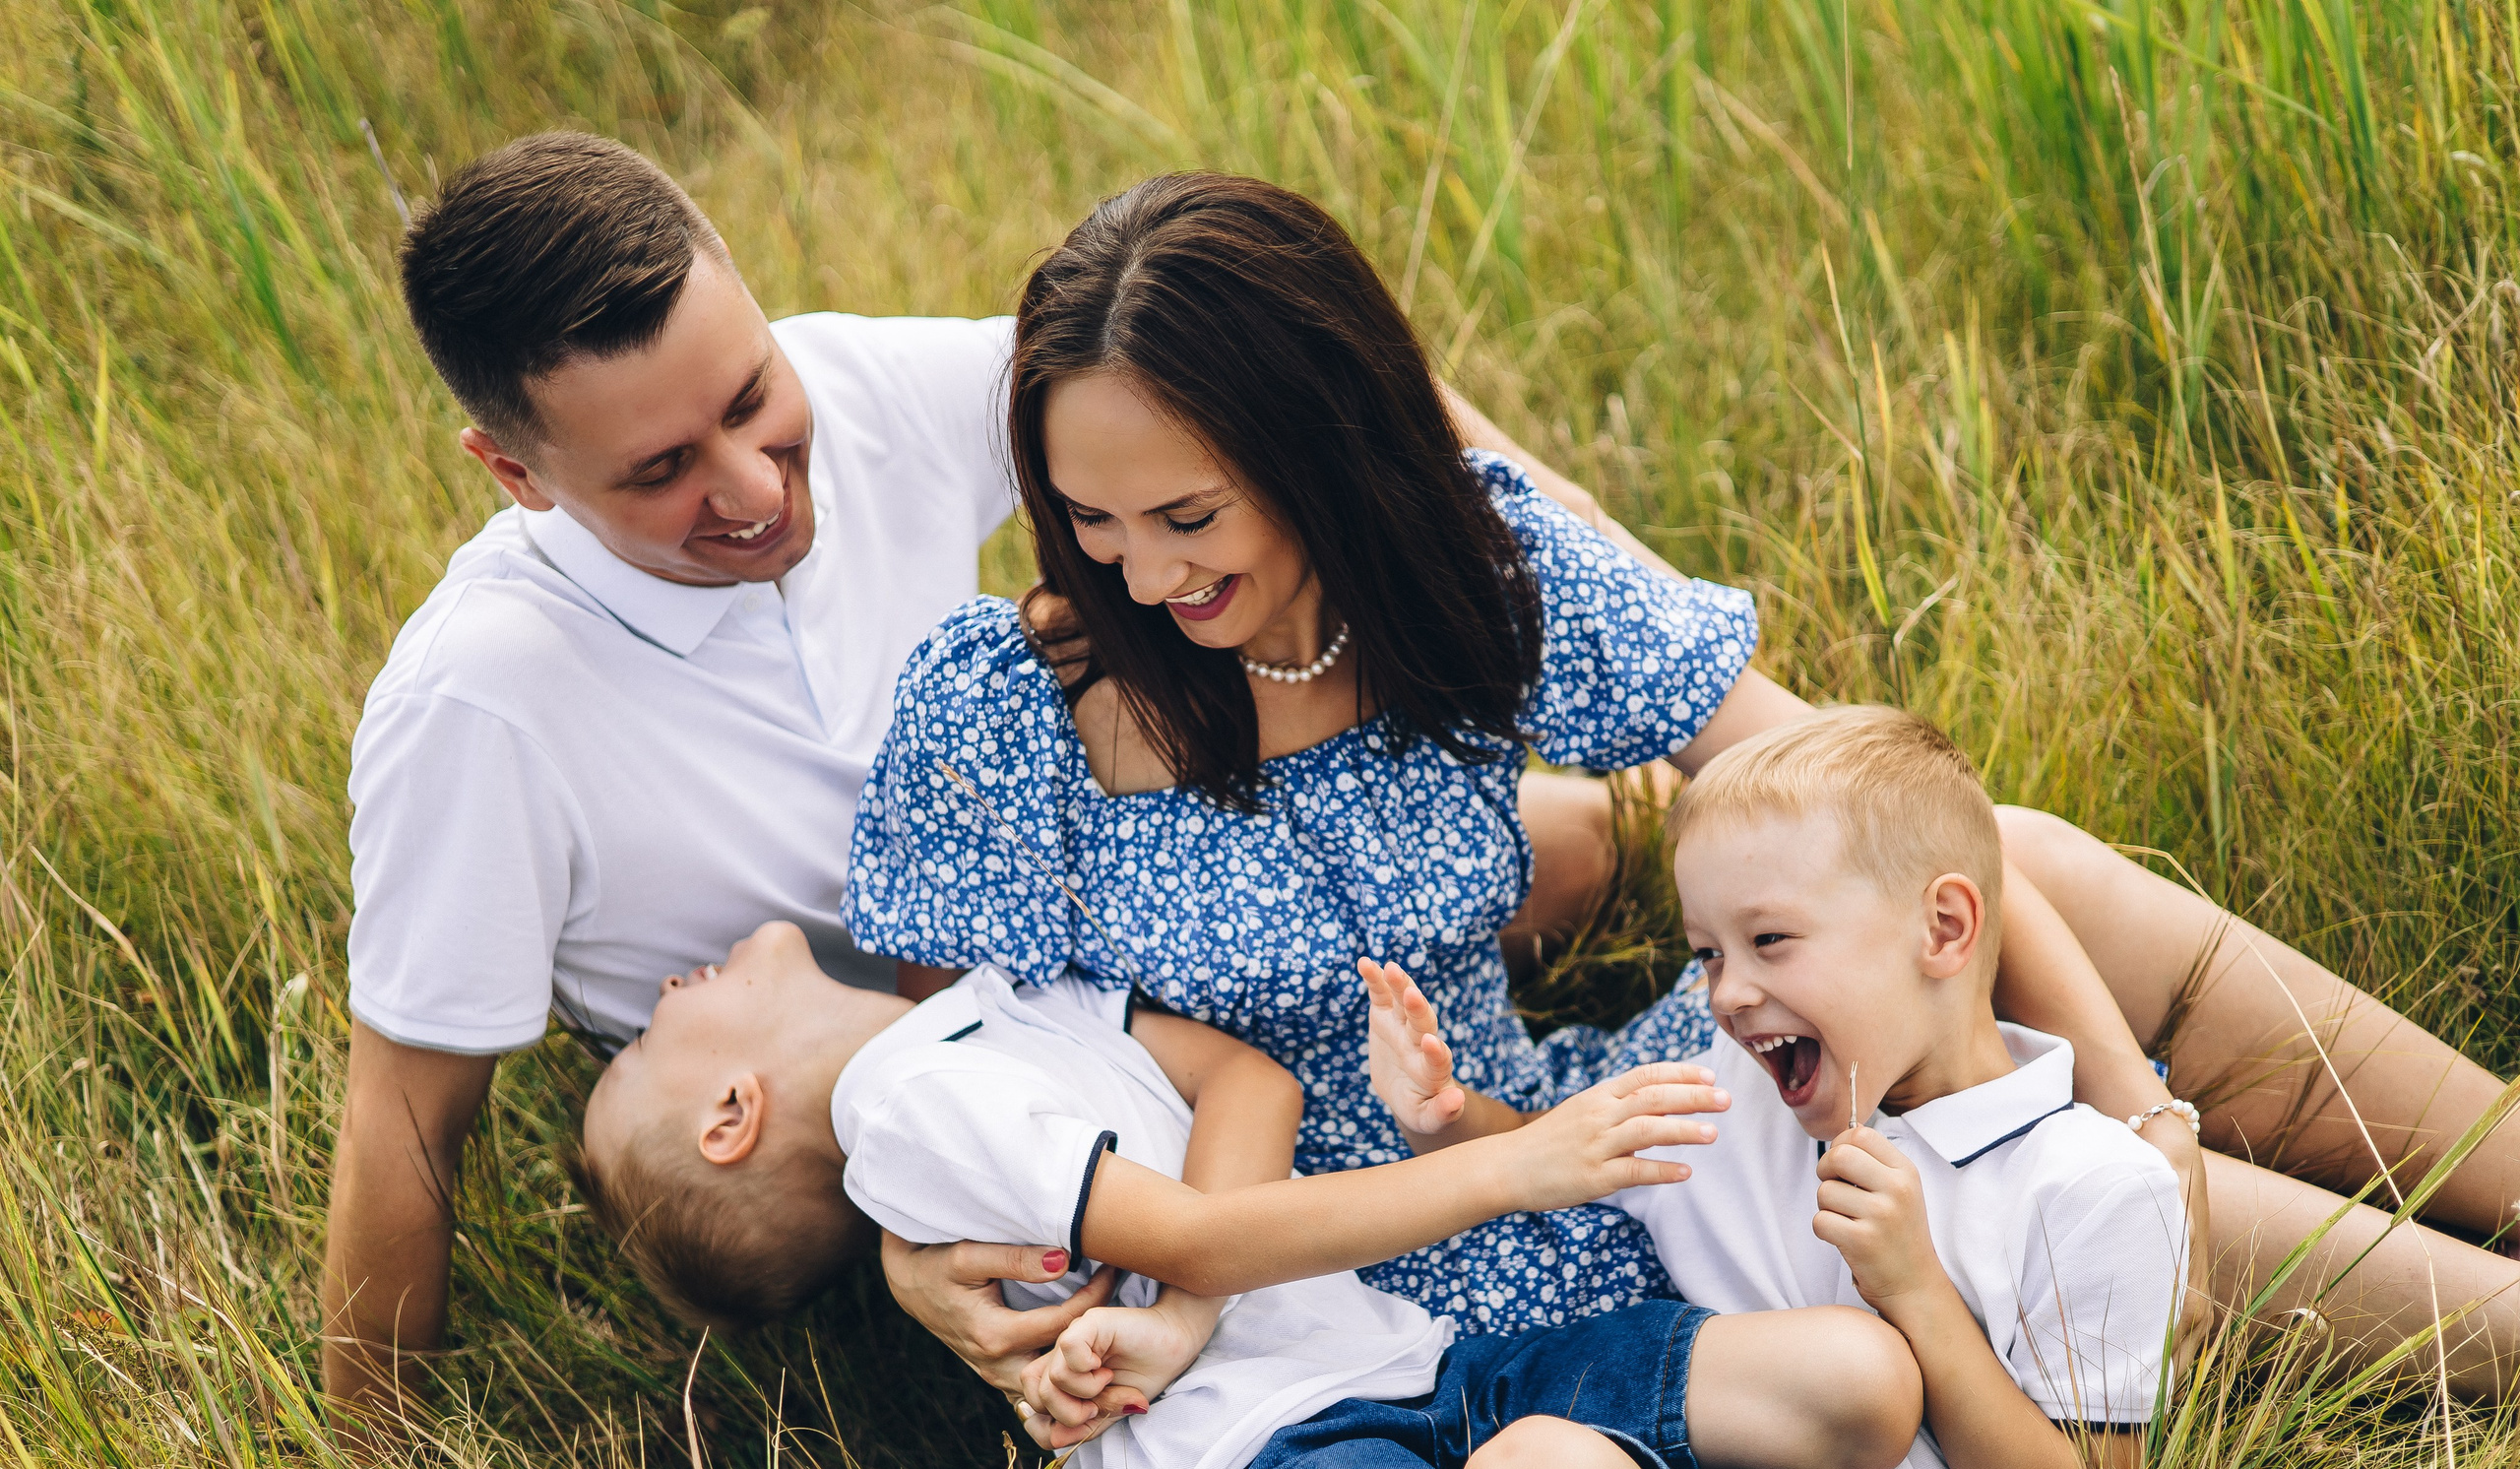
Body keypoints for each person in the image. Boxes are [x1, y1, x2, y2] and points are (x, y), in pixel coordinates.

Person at [849, 169, 2515, 1400]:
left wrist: (2131, 1102)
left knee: (2022, 880)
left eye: (1188, 516)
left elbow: (1859, 793)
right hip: (1313, 1298)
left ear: (1322, 443)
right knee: (2007, 1164)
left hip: (1576, 1142)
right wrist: (926, 1269)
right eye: (1094, 522)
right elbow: (963, 1088)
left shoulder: (1459, 569)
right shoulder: (1006, 710)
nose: (1141, 575)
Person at [326, 135, 1620, 1419]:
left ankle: (1348, 1103)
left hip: (1080, 917)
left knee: (1569, 838)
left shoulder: (864, 385)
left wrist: (1619, 593)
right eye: (659, 472)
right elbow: (405, 1117)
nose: (751, 485)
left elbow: (1286, 385)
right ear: (516, 474)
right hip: (840, 1096)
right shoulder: (478, 702)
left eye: (747, 398)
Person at [572, 920, 1923, 1469]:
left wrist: (1180, 1311)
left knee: (1856, 1375)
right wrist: (1516, 1162)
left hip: (1403, 1357)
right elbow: (1196, 1230)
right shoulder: (901, 1107)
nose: (666, 981)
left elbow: (1248, 1085)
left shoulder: (987, 1011)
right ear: (732, 1115)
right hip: (1244, 1460)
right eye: (650, 1035)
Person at [1381, 708, 2184, 1469]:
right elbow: (1559, 1157)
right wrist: (1450, 1116)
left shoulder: (2090, 1186)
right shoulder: (1735, 1104)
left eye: (1769, 940)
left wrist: (1919, 1292)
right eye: (1708, 953)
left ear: (1943, 930)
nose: (1725, 994)